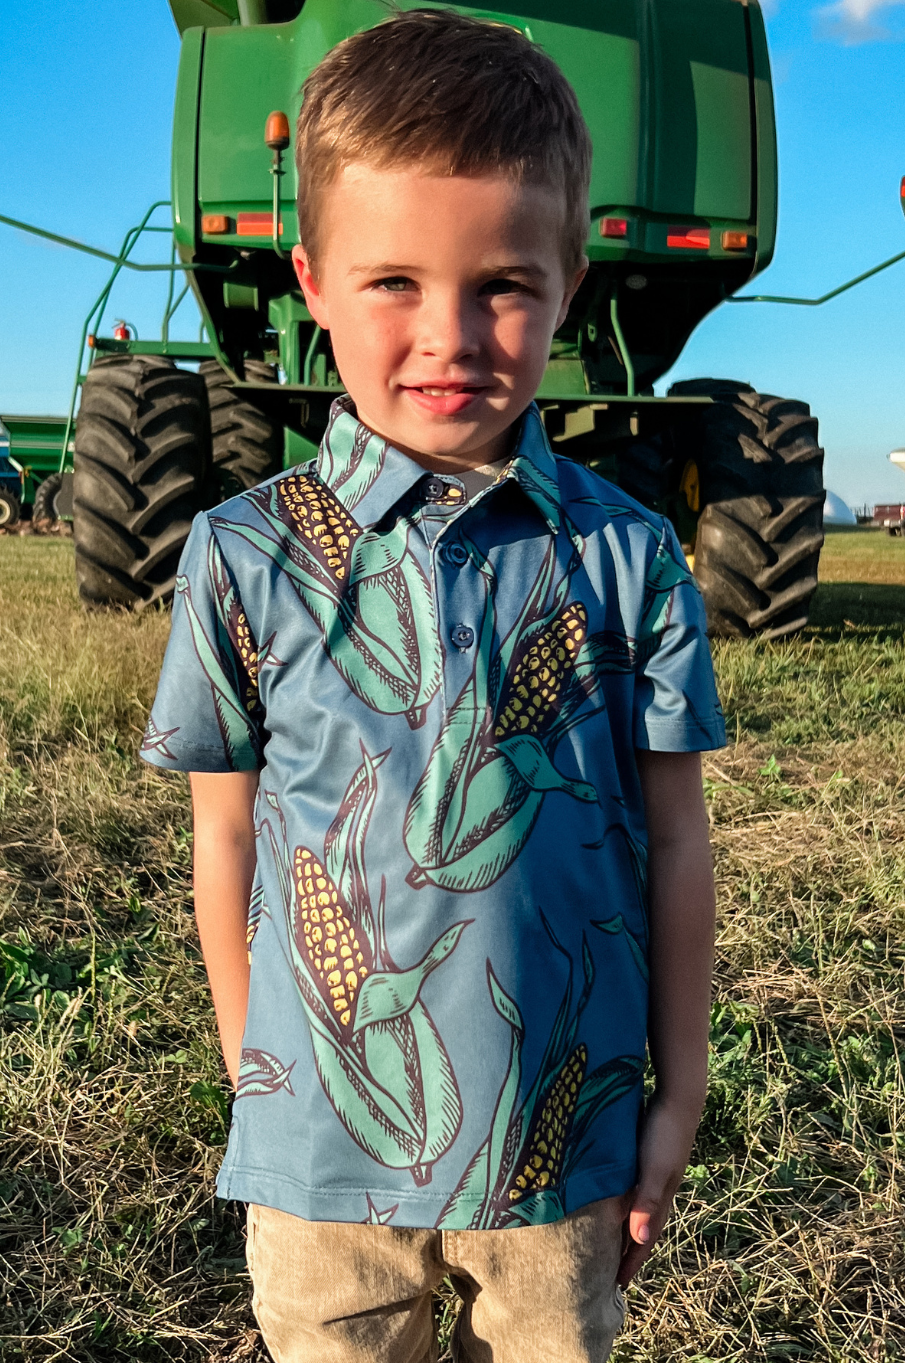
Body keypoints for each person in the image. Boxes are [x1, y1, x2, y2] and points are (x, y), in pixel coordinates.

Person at [142, 10, 725, 1361]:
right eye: (393, 280)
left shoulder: (627, 557)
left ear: (571, 282)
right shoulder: (243, 555)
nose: (450, 334)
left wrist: (678, 1091)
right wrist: (260, 1075)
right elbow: (224, 835)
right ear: (313, 279)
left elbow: (679, 836)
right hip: (318, 1173)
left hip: (559, 1154)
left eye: (505, 285)